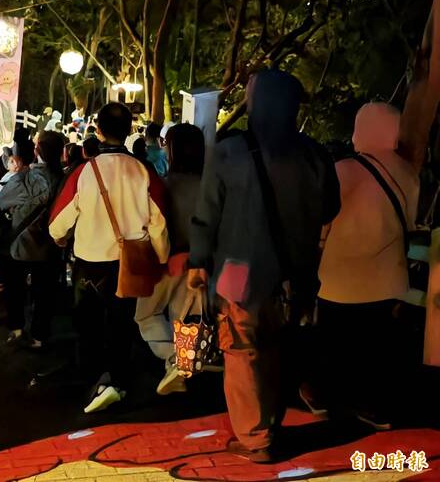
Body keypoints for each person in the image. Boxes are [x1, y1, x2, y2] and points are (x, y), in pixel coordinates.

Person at [188, 70, 340, 462]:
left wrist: (198, 261)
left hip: (239, 271)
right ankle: (270, 423)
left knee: (242, 351)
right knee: (281, 347)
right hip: (296, 272)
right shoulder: (316, 155)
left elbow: (207, 214)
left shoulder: (229, 152)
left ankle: (256, 438)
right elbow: (330, 209)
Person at [50, 102, 169, 413]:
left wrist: (60, 237)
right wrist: (161, 257)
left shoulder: (84, 172)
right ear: (129, 130)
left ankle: (93, 381)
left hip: (89, 264)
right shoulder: (143, 170)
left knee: (88, 325)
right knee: (121, 324)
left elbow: (57, 224)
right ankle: (118, 381)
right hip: (129, 263)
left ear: (98, 131)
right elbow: (159, 221)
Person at [308, 103, 419, 430]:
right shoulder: (409, 173)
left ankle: (324, 397)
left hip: (340, 278)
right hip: (387, 276)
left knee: (333, 340)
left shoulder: (343, 170)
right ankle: (373, 407)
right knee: (376, 345)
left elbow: (322, 220)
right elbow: (410, 222)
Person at [135, 123, 205, 395]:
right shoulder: (211, 187)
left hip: (167, 262)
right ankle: (183, 364)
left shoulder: (164, 186)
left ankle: (174, 358)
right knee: (183, 316)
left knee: (146, 314)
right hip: (198, 262)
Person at [0, 131, 66, 348]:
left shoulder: (25, 176)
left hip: (22, 241)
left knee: (15, 288)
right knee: (45, 293)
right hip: (51, 244)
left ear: (38, 150)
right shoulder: (65, 179)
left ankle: (16, 328)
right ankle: (39, 335)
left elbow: (3, 201)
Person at [0, 140, 35, 336]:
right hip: (30, 238)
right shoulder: (36, 178)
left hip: (12, 239)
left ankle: (17, 326)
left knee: (15, 283)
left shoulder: (12, 182)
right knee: (22, 282)